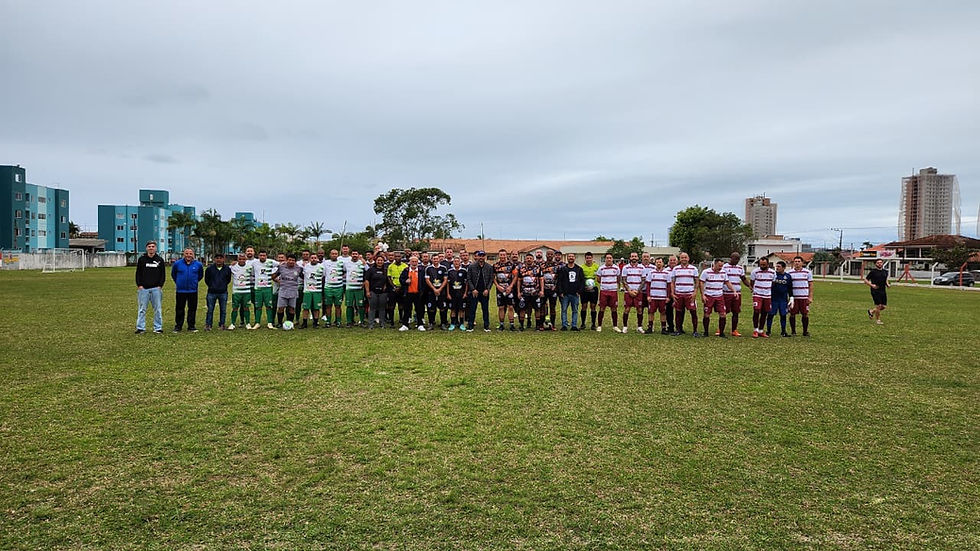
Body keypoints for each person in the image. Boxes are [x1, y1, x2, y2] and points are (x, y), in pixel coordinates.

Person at [135, 240, 166, 334]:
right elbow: (138, 273)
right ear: (146, 248)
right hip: (143, 289)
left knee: (157, 309)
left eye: (153, 246)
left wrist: (160, 286)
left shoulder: (160, 260)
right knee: (142, 309)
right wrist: (139, 285)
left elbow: (163, 275)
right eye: (149, 246)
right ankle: (141, 328)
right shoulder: (142, 260)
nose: (151, 248)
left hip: (156, 289)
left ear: (156, 248)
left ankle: (158, 328)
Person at [699, 258, 735, 338]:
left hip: (719, 296)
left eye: (721, 266)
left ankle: (721, 333)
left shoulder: (723, 272)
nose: (720, 268)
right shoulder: (706, 272)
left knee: (723, 314)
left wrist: (734, 291)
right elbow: (701, 282)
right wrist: (703, 295)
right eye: (719, 266)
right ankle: (706, 332)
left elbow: (727, 282)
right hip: (709, 295)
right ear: (714, 264)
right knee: (707, 314)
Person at [171, 247, 204, 332]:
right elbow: (173, 275)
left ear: (193, 254)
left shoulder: (198, 265)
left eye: (190, 253)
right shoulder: (177, 264)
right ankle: (178, 326)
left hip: (193, 291)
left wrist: (194, 283)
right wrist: (179, 282)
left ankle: (191, 326)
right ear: (183, 254)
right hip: (180, 291)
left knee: (192, 309)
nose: (188, 255)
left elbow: (200, 276)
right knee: (179, 309)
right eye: (186, 253)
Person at [669, 252, 700, 337]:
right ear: (680, 259)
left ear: (688, 258)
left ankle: (695, 331)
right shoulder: (675, 269)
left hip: (689, 294)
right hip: (679, 294)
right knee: (678, 312)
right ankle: (678, 330)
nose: (684, 259)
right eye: (682, 257)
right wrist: (672, 293)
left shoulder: (693, 269)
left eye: (685, 257)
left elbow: (697, 281)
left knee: (693, 312)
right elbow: (672, 282)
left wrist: (695, 292)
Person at [721, 252, 750, 337]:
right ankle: (720, 328)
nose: (737, 260)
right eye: (735, 258)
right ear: (731, 258)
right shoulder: (724, 267)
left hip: (737, 293)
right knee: (724, 311)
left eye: (738, 259)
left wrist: (750, 286)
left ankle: (734, 330)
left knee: (736, 312)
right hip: (726, 293)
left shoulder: (740, 268)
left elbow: (743, 279)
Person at [466, 250, 494, 332]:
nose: (481, 258)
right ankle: (470, 326)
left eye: (483, 256)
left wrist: (487, 289)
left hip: (484, 291)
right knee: (472, 309)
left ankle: (486, 326)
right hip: (475, 291)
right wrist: (473, 289)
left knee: (485, 309)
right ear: (477, 257)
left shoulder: (489, 267)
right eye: (480, 256)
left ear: (485, 257)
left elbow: (491, 279)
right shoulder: (471, 266)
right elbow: (469, 279)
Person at [272, 254, 303, 327]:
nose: (291, 261)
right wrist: (278, 281)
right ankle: (279, 323)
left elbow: (304, 277)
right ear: (287, 260)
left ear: (295, 261)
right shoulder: (281, 267)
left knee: (292, 308)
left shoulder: (299, 269)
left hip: (293, 290)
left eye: (293, 260)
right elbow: (274, 276)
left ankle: (290, 323)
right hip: (283, 290)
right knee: (281, 308)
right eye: (289, 260)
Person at [250, 250, 278, 329]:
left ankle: (270, 323)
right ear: (258, 256)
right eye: (261, 255)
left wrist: (275, 274)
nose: (262, 257)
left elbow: (281, 265)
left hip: (268, 288)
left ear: (266, 256)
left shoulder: (271, 262)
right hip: (258, 288)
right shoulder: (254, 263)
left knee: (269, 306)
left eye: (264, 255)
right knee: (258, 306)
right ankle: (257, 323)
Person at [557, 252, 584, 331]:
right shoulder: (563, 269)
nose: (571, 258)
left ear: (575, 258)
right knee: (564, 310)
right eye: (569, 256)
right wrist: (560, 292)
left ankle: (574, 325)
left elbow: (582, 281)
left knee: (575, 310)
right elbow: (559, 281)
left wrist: (579, 291)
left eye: (572, 256)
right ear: (567, 258)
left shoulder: (579, 269)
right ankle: (564, 325)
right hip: (565, 294)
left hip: (575, 293)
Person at [204, 253, 232, 331]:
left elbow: (228, 280)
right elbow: (206, 280)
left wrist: (222, 286)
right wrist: (212, 286)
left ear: (223, 259)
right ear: (214, 259)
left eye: (220, 258)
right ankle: (208, 325)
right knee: (210, 309)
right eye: (217, 258)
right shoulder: (209, 269)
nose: (219, 259)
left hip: (223, 292)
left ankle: (222, 324)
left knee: (223, 310)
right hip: (211, 292)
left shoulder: (227, 269)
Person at [620, 252, 646, 333]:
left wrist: (637, 291)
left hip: (638, 292)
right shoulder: (625, 267)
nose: (634, 258)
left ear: (638, 258)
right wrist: (629, 290)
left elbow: (643, 280)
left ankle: (639, 326)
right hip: (628, 292)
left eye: (635, 256)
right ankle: (625, 327)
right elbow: (623, 280)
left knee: (639, 309)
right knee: (627, 309)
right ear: (630, 258)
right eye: (632, 256)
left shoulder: (642, 267)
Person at [750, 257, 776, 338]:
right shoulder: (755, 271)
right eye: (761, 264)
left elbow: (773, 283)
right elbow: (752, 282)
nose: (762, 266)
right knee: (757, 310)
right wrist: (754, 290)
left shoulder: (772, 272)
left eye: (764, 264)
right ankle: (755, 330)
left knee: (765, 312)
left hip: (767, 295)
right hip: (757, 294)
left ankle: (761, 330)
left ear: (768, 264)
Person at [644, 257, 671, 334]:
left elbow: (668, 286)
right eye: (657, 262)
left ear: (663, 263)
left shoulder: (667, 273)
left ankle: (663, 328)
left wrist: (668, 297)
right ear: (655, 263)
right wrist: (648, 296)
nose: (658, 263)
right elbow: (648, 285)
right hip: (653, 297)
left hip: (662, 297)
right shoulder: (651, 273)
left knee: (663, 312)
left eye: (660, 262)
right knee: (651, 312)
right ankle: (650, 327)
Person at [517, 253, 543, 331]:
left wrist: (542, 290)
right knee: (522, 309)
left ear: (533, 259)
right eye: (527, 258)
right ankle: (521, 325)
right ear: (525, 259)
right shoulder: (521, 269)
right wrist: (518, 292)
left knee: (537, 309)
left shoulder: (537, 268)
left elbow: (541, 279)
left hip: (535, 292)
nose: (529, 260)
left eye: (530, 258)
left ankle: (537, 326)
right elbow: (519, 281)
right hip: (524, 292)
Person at [399, 255, 426, 331]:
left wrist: (422, 291)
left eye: (415, 262)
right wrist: (405, 281)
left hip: (418, 293)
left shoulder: (421, 271)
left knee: (419, 309)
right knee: (407, 309)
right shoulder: (406, 270)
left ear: (418, 262)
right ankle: (405, 324)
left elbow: (424, 282)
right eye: (412, 261)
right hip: (408, 293)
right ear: (410, 262)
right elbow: (401, 280)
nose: (414, 263)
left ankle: (420, 324)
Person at [596, 253, 621, 332]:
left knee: (614, 308)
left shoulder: (616, 268)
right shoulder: (601, 268)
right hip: (604, 291)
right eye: (607, 258)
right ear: (605, 259)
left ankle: (615, 326)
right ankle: (599, 326)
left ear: (612, 259)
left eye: (610, 258)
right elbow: (598, 279)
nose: (609, 259)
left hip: (613, 291)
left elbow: (618, 279)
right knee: (602, 308)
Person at [788, 255, 813, 336]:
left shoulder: (807, 272)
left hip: (804, 297)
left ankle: (805, 331)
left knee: (805, 314)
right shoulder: (789, 273)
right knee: (792, 314)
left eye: (799, 261)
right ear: (793, 263)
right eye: (795, 261)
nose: (797, 263)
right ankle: (793, 331)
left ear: (802, 263)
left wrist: (810, 297)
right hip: (794, 298)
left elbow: (810, 285)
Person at [493, 250, 518, 331]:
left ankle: (512, 325)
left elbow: (515, 276)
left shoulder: (511, 265)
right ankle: (501, 325)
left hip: (509, 289)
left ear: (506, 255)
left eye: (504, 255)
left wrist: (510, 286)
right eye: (501, 255)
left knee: (510, 307)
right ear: (499, 256)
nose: (502, 256)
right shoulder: (495, 265)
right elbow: (493, 277)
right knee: (501, 307)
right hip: (500, 289)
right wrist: (497, 286)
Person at [767, 261, 793, 337]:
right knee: (770, 315)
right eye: (776, 266)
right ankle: (768, 331)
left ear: (784, 268)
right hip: (773, 299)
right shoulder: (773, 275)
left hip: (783, 300)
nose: (777, 268)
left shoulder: (787, 276)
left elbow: (790, 288)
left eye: (779, 266)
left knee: (783, 315)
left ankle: (783, 331)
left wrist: (791, 298)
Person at [364, 254, 390, 329]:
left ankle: (382, 324)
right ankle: (371, 324)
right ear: (375, 261)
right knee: (372, 308)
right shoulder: (371, 270)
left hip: (383, 292)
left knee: (382, 308)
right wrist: (367, 291)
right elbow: (367, 281)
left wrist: (385, 286)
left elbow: (387, 280)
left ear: (383, 261)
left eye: (381, 260)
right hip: (373, 291)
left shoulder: (385, 270)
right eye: (378, 260)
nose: (380, 262)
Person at [228, 253, 252, 330]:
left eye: (243, 259)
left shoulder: (250, 267)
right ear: (237, 259)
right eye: (240, 259)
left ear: (246, 259)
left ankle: (247, 323)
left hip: (246, 291)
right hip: (236, 292)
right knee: (235, 308)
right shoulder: (233, 267)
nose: (241, 260)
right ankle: (232, 323)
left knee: (246, 308)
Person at [300, 253, 324, 329]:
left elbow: (323, 276)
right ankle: (304, 323)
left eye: (315, 258)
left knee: (316, 308)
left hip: (317, 290)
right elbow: (303, 275)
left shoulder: (321, 266)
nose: (313, 259)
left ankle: (316, 322)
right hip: (307, 290)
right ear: (310, 259)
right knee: (306, 307)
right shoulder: (306, 266)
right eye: (312, 258)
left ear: (317, 259)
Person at [424, 253, 449, 329]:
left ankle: (443, 323)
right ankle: (431, 323)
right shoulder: (428, 268)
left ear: (439, 259)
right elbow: (427, 280)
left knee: (442, 307)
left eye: (437, 259)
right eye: (434, 259)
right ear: (431, 260)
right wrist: (434, 289)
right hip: (431, 291)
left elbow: (445, 280)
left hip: (441, 291)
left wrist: (440, 289)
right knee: (431, 308)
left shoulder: (443, 268)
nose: (435, 260)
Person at [321, 249, 345, 327]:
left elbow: (344, 271)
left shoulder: (341, 263)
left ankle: (338, 321)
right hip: (328, 288)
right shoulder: (325, 263)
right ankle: (328, 321)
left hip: (338, 287)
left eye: (336, 254)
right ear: (330, 254)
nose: (334, 255)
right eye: (332, 254)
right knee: (328, 305)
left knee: (338, 306)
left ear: (338, 255)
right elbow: (323, 274)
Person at [864, 258, 890, 325]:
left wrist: (887, 284)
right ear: (875, 264)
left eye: (881, 262)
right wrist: (872, 285)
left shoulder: (885, 272)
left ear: (882, 263)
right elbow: (866, 280)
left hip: (883, 290)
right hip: (875, 290)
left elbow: (886, 279)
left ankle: (871, 311)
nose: (879, 264)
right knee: (878, 306)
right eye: (878, 262)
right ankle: (878, 320)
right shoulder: (873, 272)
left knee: (883, 306)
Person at [344, 251, 366, 327]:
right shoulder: (346, 264)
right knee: (349, 305)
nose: (354, 255)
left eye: (356, 254)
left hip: (359, 288)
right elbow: (342, 272)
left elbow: (368, 271)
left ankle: (362, 321)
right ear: (351, 255)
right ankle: (349, 322)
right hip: (349, 288)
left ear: (358, 255)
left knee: (360, 305)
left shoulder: (362, 263)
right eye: (353, 254)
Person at [446, 256, 469, 331]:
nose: (456, 263)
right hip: (452, 294)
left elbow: (466, 284)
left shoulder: (464, 271)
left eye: (458, 261)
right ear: (453, 262)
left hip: (461, 294)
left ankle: (461, 324)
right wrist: (448, 294)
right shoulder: (450, 271)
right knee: (453, 309)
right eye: (455, 261)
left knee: (461, 309)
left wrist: (465, 293)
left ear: (460, 262)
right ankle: (452, 323)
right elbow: (447, 284)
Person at [579, 252, 600, 330]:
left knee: (593, 306)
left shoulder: (597, 267)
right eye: (587, 258)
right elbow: (580, 278)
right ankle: (583, 323)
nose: (588, 259)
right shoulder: (582, 267)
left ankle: (593, 324)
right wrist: (584, 286)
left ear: (592, 258)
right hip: (584, 289)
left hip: (594, 289)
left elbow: (599, 277)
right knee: (584, 306)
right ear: (585, 259)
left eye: (590, 258)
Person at [540, 250, 560, 330]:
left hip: (553, 289)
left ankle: (553, 324)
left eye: (551, 254)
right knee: (542, 307)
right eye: (548, 254)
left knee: (552, 307)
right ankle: (541, 325)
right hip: (544, 289)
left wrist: (556, 286)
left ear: (553, 255)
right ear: (546, 255)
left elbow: (559, 278)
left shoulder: (557, 266)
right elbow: (539, 277)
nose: (550, 255)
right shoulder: (542, 265)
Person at [386, 251, 407, 326]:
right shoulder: (390, 266)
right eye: (396, 256)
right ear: (394, 257)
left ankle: (401, 319)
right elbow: (389, 277)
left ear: (401, 257)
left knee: (401, 305)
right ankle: (391, 321)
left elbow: (406, 277)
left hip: (402, 287)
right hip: (393, 288)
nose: (398, 258)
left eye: (399, 256)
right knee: (391, 305)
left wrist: (401, 286)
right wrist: (394, 286)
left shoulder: (405, 266)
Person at [665, 255, 678, 333]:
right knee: (669, 311)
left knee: (680, 311)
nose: (672, 262)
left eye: (674, 260)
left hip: (679, 293)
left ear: (677, 261)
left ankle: (679, 327)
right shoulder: (665, 271)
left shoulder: (680, 269)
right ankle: (670, 327)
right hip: (669, 294)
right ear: (668, 262)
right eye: (671, 260)